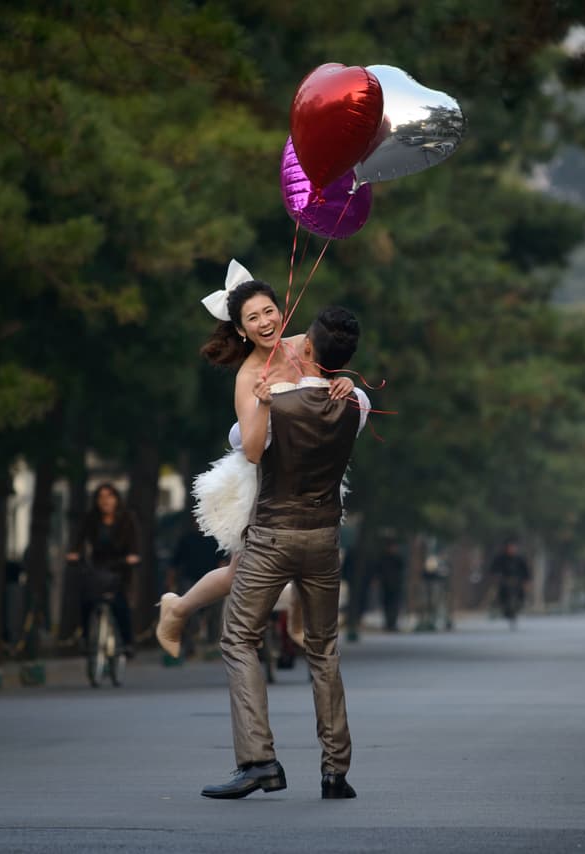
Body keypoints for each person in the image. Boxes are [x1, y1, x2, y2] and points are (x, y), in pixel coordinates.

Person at [202, 305, 369, 801]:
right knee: (324, 649)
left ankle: (259, 761)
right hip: (324, 540)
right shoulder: (356, 403)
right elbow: (351, 391)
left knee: (237, 638)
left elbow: (241, 443)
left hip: (273, 537)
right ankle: (336, 770)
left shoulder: (274, 403)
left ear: (309, 348)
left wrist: (266, 397)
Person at [155, 261, 353, 658]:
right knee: (239, 571)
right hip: (265, 479)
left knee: (318, 549)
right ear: (242, 330)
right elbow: (250, 447)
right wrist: (264, 403)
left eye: (268, 311)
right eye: (252, 318)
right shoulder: (248, 377)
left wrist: (345, 379)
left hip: (310, 467)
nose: (264, 322)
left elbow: (328, 382)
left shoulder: (304, 345)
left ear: (281, 310)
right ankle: (178, 608)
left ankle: (298, 618)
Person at [66, 483, 140, 656]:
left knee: (120, 604)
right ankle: (86, 638)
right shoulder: (91, 518)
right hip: (98, 566)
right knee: (87, 600)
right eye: (101, 497)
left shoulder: (127, 518)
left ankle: (128, 642)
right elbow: (80, 537)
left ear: (116, 499)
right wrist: (74, 553)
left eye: (109, 496)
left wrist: (133, 556)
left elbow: (135, 542)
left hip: (121, 566)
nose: (105, 501)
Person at [165, 518, 222, 656]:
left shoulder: (215, 539)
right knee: (189, 613)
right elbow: (175, 562)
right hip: (190, 580)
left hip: (212, 581)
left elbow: (222, 562)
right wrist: (170, 580)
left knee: (215, 612)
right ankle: (190, 644)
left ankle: (212, 643)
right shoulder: (186, 540)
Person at [488, 539, 531, 622]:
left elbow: (526, 571)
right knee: (498, 592)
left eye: (513, 548)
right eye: (510, 547)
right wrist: (496, 576)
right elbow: (493, 569)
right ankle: (498, 606)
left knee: (521, 593)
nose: (512, 549)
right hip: (504, 580)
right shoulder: (500, 558)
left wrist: (526, 581)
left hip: (517, 581)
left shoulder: (519, 558)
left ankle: (518, 606)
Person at [371, 539, 405, 632]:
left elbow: (402, 570)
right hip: (385, 584)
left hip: (395, 585)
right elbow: (378, 570)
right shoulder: (383, 558)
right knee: (386, 604)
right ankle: (388, 623)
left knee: (395, 605)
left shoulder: (398, 558)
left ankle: (393, 623)